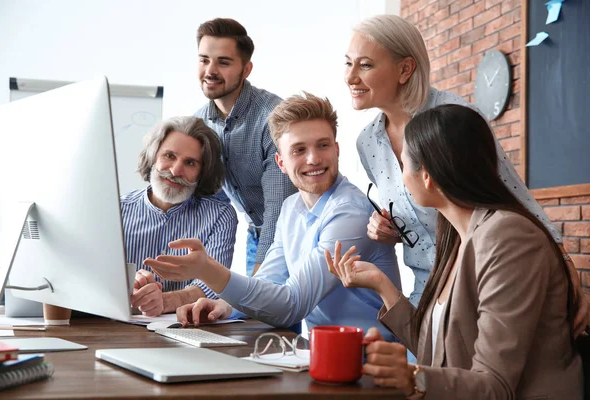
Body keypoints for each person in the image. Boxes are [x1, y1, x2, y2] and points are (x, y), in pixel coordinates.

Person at [344, 14, 589, 332]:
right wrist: (388, 227)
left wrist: (567, 269)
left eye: (365, 65)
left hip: (483, 285)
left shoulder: (454, 118)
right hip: (426, 292)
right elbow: (415, 211)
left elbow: (511, 193)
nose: (351, 77)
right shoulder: (367, 142)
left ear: (405, 69)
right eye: (347, 63)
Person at [327, 104, 584, 399]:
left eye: (403, 164)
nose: (401, 178)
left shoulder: (509, 238)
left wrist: (414, 378)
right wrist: (381, 285)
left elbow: (495, 386)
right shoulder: (455, 235)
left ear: (427, 177)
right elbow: (437, 352)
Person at [144, 93, 401, 337]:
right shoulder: (291, 207)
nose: (313, 159)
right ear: (281, 163)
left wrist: (206, 269)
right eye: (299, 150)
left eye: (322, 146)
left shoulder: (350, 212)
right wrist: (225, 306)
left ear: (336, 150)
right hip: (329, 356)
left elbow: (291, 305)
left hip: (378, 362)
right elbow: (270, 279)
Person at [194, 18, 297, 277]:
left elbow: (278, 208)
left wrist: (260, 277)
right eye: (204, 59)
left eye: (223, 62)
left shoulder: (273, 117)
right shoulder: (199, 125)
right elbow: (209, 202)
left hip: (292, 236)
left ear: (246, 69)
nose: (210, 70)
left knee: (268, 313)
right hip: (255, 235)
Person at [125, 116, 237, 317]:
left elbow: (213, 284)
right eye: (169, 155)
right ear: (153, 156)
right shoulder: (118, 209)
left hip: (185, 329)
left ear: (202, 172)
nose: (176, 171)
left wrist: (163, 301)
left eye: (190, 163)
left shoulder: (220, 216)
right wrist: (127, 285)